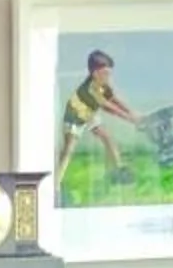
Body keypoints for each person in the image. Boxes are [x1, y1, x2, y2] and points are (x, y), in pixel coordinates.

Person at [54, 49, 136, 185]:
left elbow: (114, 99)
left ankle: (118, 169)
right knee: (69, 150)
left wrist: (131, 112)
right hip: (75, 116)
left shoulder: (103, 85)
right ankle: (56, 183)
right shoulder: (90, 90)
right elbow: (108, 107)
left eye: (109, 73)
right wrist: (130, 119)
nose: (108, 77)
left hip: (90, 113)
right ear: (95, 73)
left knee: (107, 138)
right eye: (106, 73)